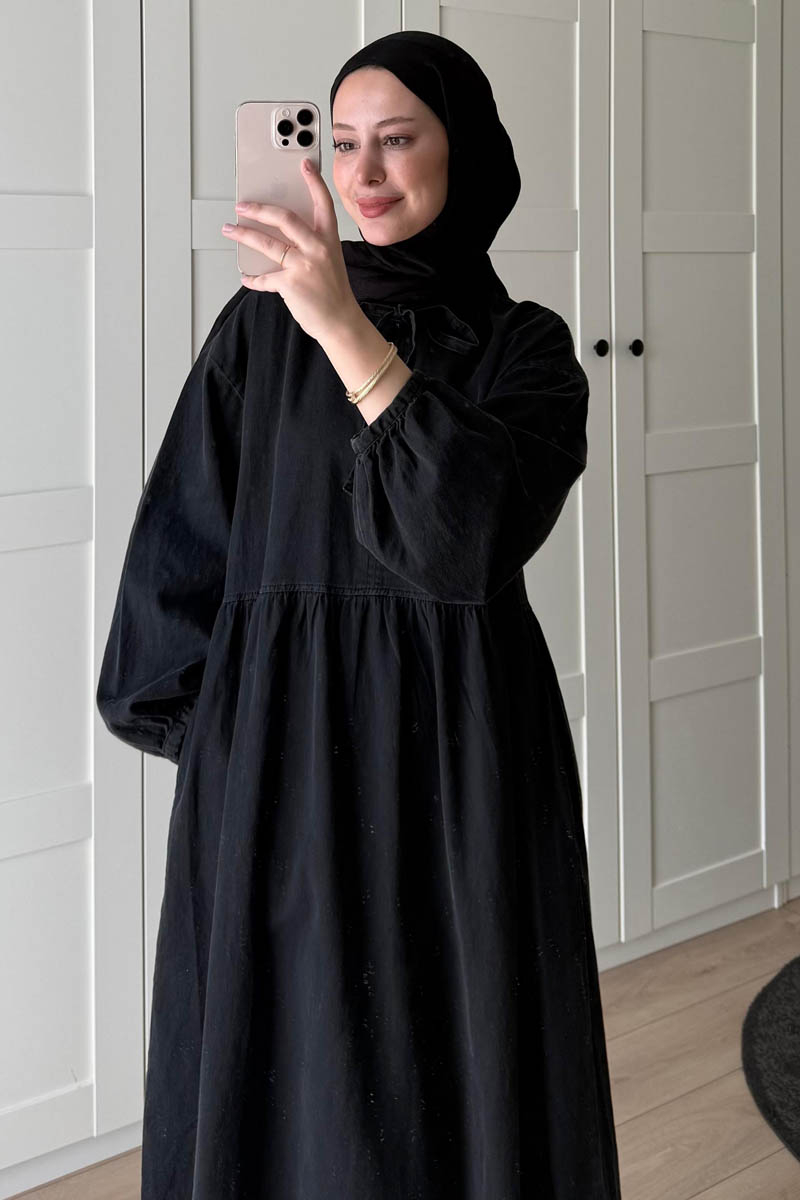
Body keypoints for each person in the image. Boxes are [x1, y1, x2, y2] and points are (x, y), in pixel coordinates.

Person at [96, 28, 622, 1200]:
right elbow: (183, 537)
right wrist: (225, 743)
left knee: (455, 1065)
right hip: (277, 760)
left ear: (461, 151)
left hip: (459, 764)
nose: (364, 174)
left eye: (397, 140)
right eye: (339, 145)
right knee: (286, 1074)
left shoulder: (526, 351)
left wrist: (342, 323)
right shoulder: (255, 328)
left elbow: (455, 545)